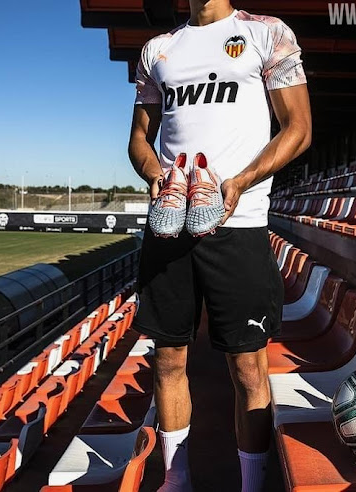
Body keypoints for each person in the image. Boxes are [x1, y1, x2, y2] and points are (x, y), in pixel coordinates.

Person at [127, 0, 311, 490]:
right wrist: (156, 175)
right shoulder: (157, 50)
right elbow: (139, 139)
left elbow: (299, 128)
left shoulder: (267, 33)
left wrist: (242, 181)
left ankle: (252, 485)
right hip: (170, 223)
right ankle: (176, 480)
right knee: (167, 360)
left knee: (248, 367)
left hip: (240, 222)